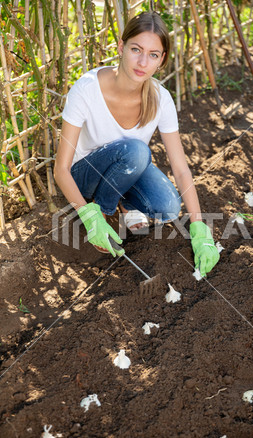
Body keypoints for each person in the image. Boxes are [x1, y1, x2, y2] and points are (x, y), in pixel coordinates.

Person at [54, 11, 219, 277]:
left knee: (168, 207)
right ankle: (103, 214)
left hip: (126, 169)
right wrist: (87, 215)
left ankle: (124, 203)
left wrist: (200, 229)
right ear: (121, 46)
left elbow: (180, 168)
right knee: (136, 151)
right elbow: (60, 169)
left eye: (153, 54)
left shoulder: (161, 99)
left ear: (161, 60)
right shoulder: (86, 89)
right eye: (136, 49)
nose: (143, 61)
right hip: (84, 176)